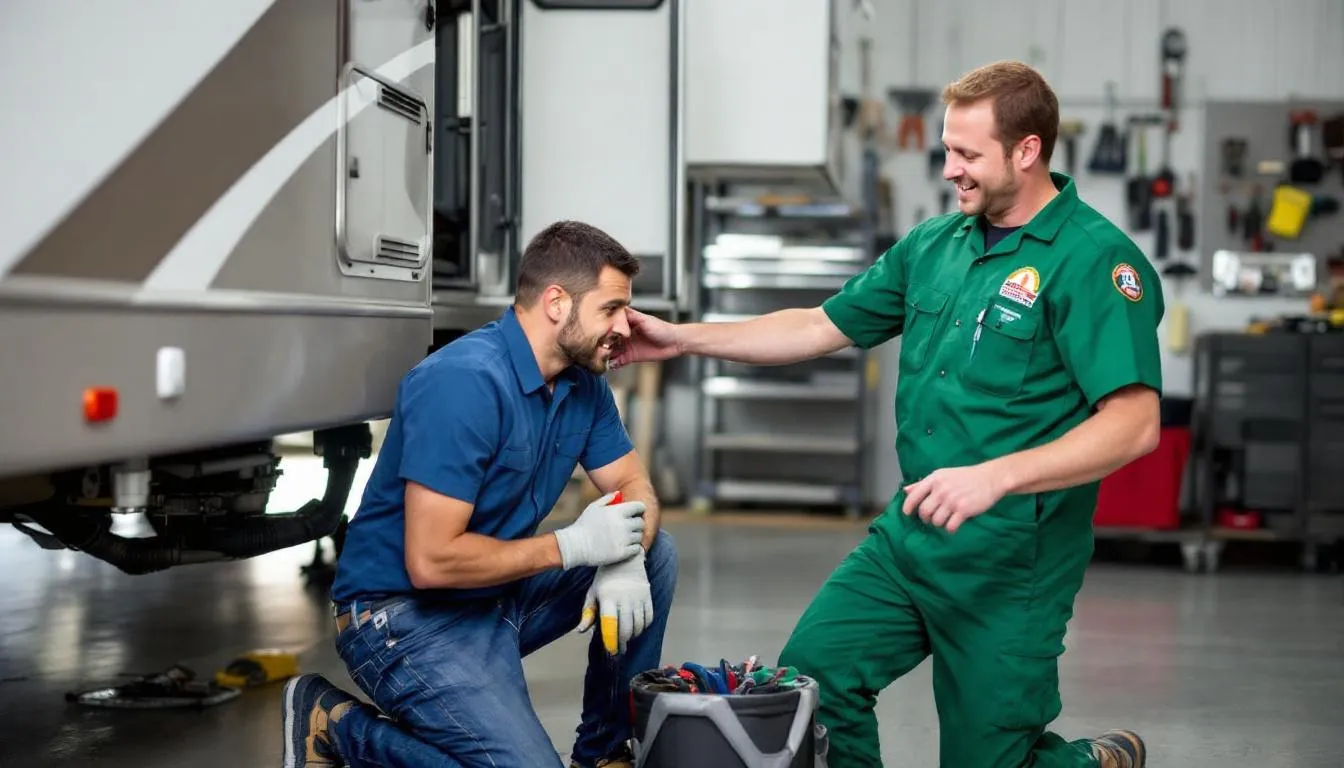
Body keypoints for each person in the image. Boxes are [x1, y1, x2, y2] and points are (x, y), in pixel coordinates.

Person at [611, 61, 1161, 768]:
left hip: (1011, 561)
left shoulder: (1095, 261)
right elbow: (817, 327)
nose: (948, 170)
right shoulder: (935, 246)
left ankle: (1090, 762)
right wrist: (682, 339)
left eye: (967, 154)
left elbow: (1135, 423)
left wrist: (994, 478)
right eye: (946, 149)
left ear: (1027, 151)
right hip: (911, 538)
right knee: (816, 680)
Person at [281, 220, 679, 768]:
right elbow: (431, 561)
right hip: (400, 618)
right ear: (557, 302)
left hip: (494, 595)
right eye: (611, 309)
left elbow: (634, 485)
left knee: (656, 550)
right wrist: (575, 547)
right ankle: (338, 728)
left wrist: (625, 555)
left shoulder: (583, 383)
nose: (625, 326)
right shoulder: (461, 383)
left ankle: (604, 753)